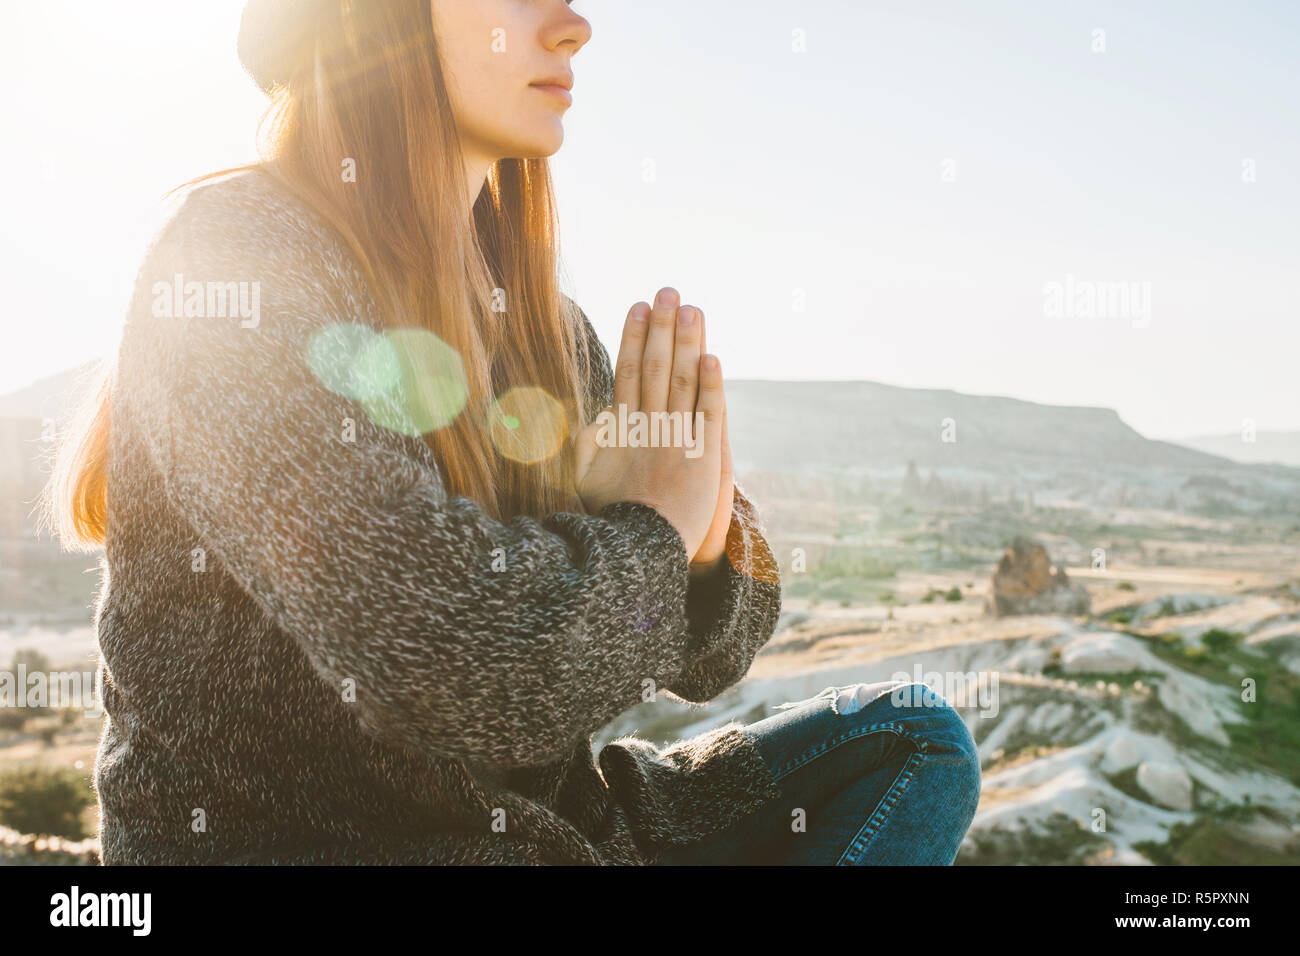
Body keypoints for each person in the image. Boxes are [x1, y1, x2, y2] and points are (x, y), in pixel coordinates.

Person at [42, 0, 979, 865]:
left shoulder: (540, 321)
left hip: (553, 832)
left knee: (912, 741)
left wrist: (695, 549)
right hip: (333, 848)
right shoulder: (231, 262)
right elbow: (467, 667)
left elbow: (718, 650)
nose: (573, 26)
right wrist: (651, 529)